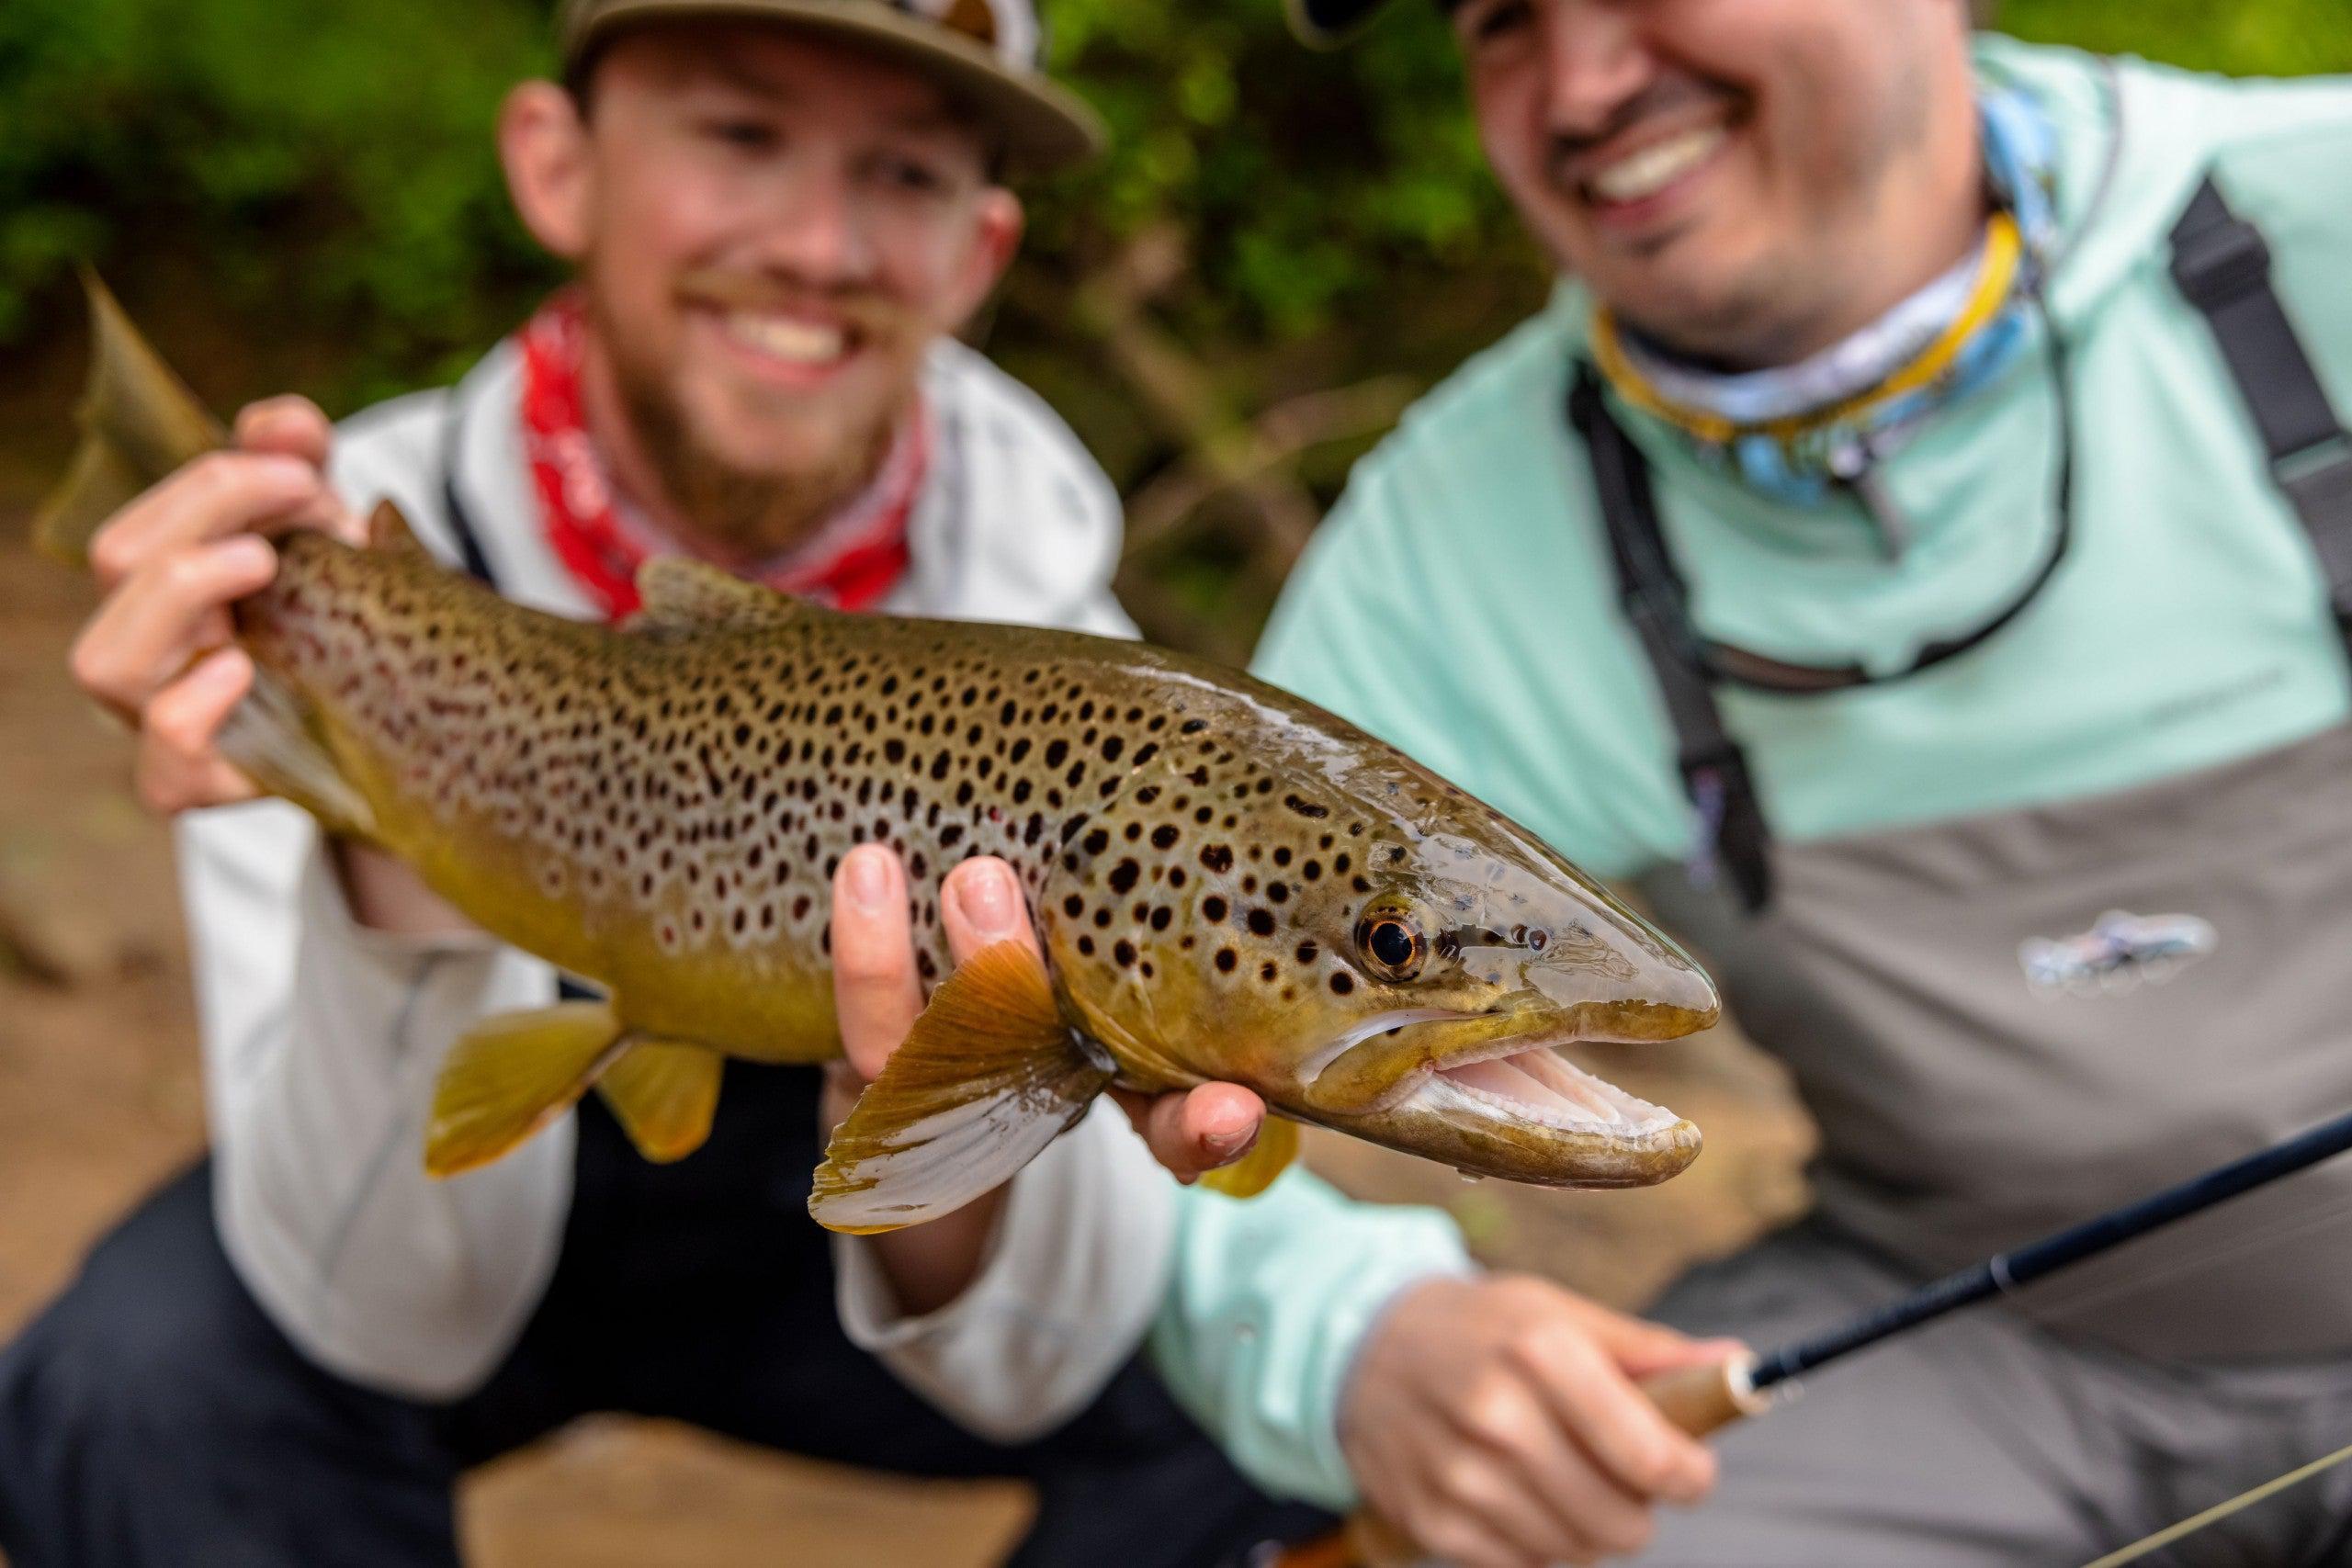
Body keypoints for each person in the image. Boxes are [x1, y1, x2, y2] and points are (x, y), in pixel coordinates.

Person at [0, 3, 1481, 1563]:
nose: (819, 243)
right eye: (741, 134)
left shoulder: (1091, 673)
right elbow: (378, 1313)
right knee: (129, 1390)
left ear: (980, 253)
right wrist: (387, 837)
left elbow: (1046, 1368)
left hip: (845, 1268)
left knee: (1285, 1405)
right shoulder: (344, 584)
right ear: (555, 166)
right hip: (437, 1247)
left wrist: (943, 1131)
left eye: (902, 172)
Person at [1250, 0, 2352, 1562]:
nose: (1581, 84)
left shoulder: (2325, 215)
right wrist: (1360, 1336)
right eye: (1498, 19)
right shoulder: (1444, 540)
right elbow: (1130, 1061)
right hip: (1970, 1345)